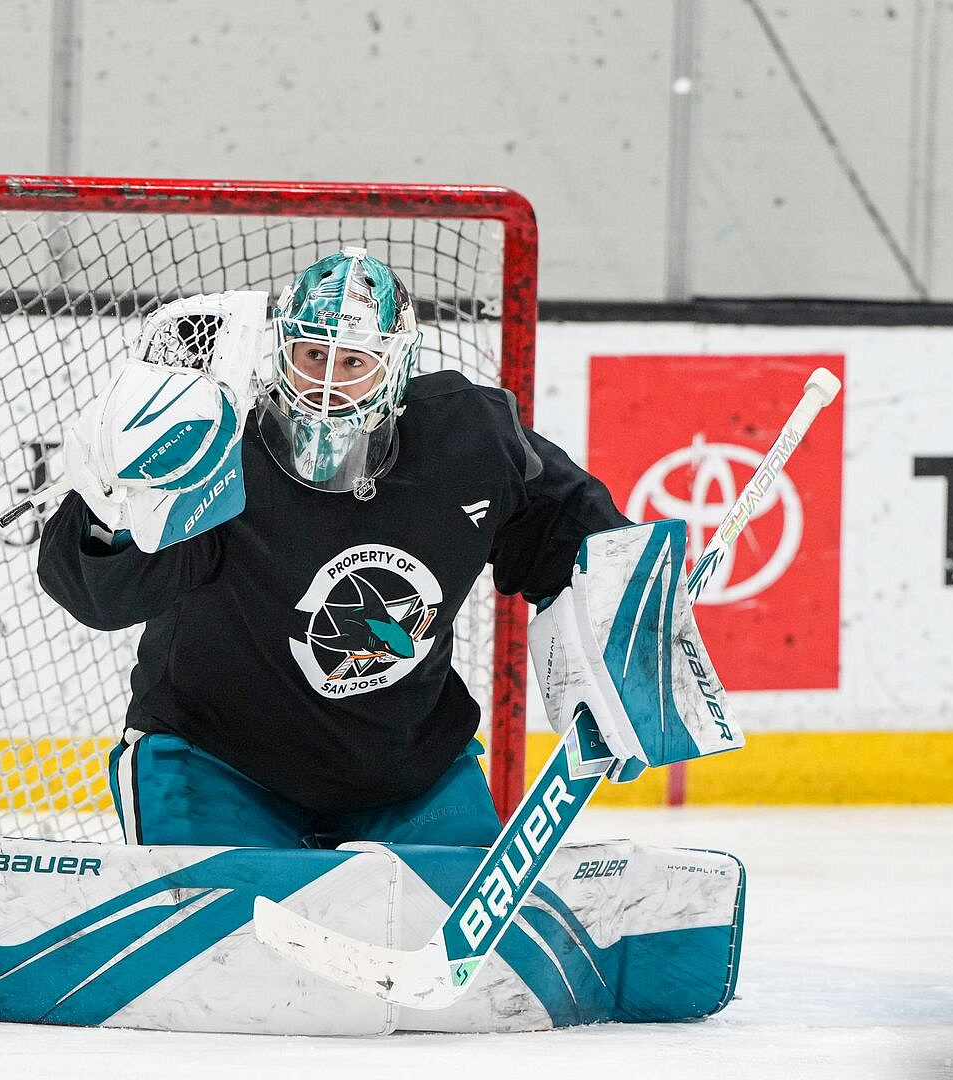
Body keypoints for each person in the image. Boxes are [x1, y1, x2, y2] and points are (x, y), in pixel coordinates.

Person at [37, 248, 628, 850]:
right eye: (313, 355)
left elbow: (578, 538)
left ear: (395, 366)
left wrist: (636, 629)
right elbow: (102, 600)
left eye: (353, 362)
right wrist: (113, 506)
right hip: (215, 762)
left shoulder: (470, 439)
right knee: (214, 916)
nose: (327, 384)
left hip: (407, 773)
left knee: (463, 911)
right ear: (282, 352)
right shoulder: (222, 449)